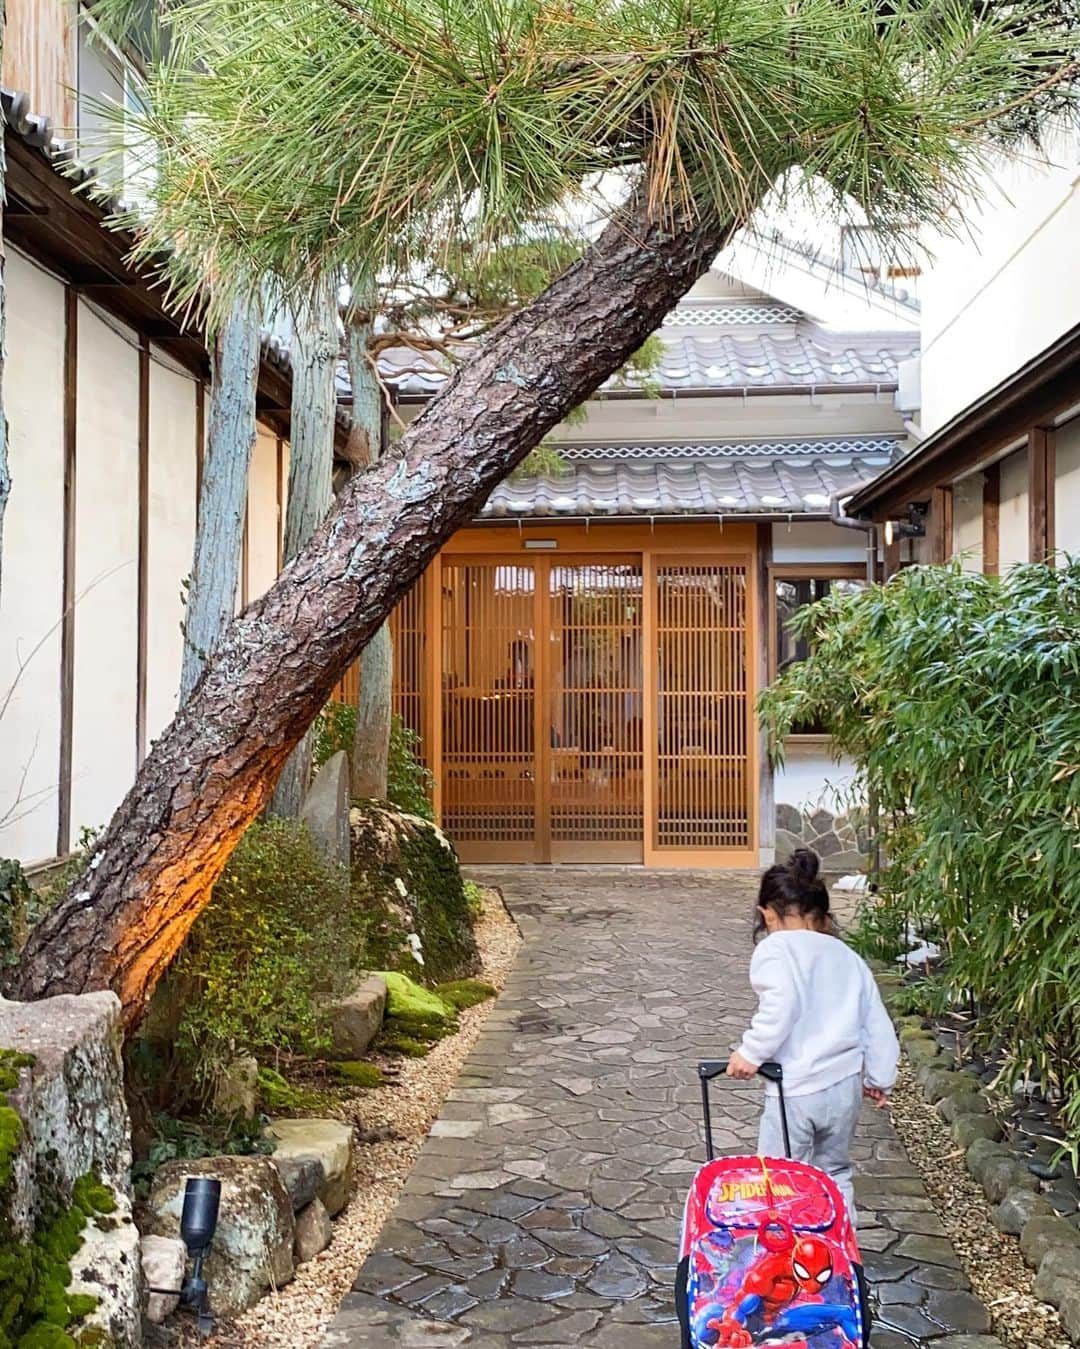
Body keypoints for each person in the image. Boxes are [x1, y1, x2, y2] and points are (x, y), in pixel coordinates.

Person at [726, 849, 899, 1222]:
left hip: (797, 1090)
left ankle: (784, 1255)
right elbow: (876, 1022)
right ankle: (840, 1253)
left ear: (767, 914)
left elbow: (781, 1006)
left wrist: (751, 1053)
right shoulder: (848, 957)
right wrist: (879, 1077)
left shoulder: (775, 949)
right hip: (844, 1087)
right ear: (822, 917)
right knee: (834, 1171)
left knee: (780, 1176)